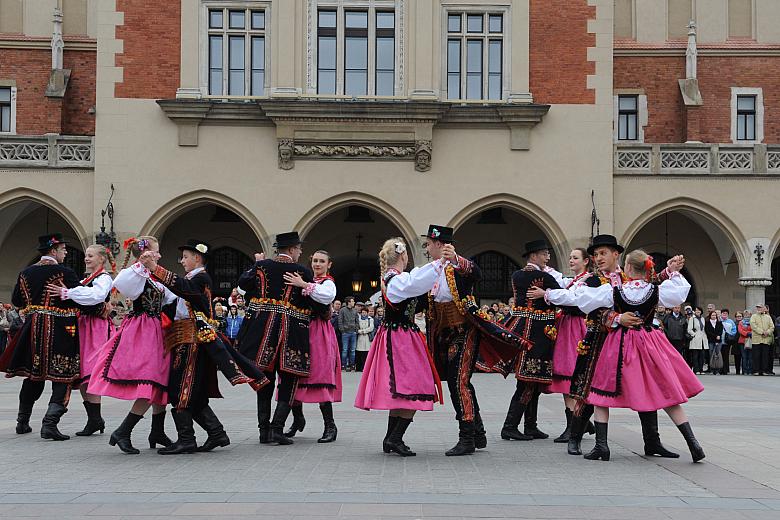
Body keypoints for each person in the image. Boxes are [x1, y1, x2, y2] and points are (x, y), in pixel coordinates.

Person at [536, 249, 705, 462]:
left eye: (603, 253)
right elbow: (674, 290)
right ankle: (575, 436)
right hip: (634, 342)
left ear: (620, 260)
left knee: (601, 392)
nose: (599, 258)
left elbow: (580, 298)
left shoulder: (616, 289)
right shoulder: (607, 282)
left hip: (618, 343)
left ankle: (613, 445)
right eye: (596, 254)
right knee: (656, 389)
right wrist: (672, 273)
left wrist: (548, 294)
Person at [142, 239, 268, 454]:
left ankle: (187, 439)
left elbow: (186, 290)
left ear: (197, 258)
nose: (182, 261)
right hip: (186, 339)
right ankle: (217, 433)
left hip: (192, 341)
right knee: (195, 393)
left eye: (185, 257)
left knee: (180, 388)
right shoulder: (194, 278)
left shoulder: (200, 278)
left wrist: (156, 268)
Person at [422, 225, 524, 456]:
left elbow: (476, 273)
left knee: (459, 382)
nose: (427, 249)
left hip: (464, 330)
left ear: (440, 244)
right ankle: (477, 432)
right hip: (443, 334)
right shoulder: (430, 271)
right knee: (458, 382)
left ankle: (466, 436)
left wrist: (456, 258)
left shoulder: (458, 266)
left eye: (428, 244)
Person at [354, 237, 452, 456]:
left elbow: (417, 278)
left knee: (404, 391)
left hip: (402, 337)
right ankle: (394, 438)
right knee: (416, 387)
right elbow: (415, 283)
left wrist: (439, 264)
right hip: (400, 338)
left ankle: (391, 439)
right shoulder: (395, 279)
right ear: (403, 256)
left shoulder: (397, 276)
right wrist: (439, 263)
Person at [87, 236, 175, 453]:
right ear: (145, 253)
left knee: (161, 382)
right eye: (156, 251)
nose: (159, 255)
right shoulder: (137, 275)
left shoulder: (155, 276)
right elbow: (122, 284)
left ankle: (157, 431)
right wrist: (140, 265)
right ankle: (123, 431)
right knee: (150, 382)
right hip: (142, 332)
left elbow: (173, 298)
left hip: (157, 331)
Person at [0, 234, 85, 440]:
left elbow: (17, 301)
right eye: (63, 249)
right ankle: (49, 424)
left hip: (33, 328)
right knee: (62, 376)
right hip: (61, 329)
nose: (65, 253)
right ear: (53, 251)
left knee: (33, 375)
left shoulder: (25, 273)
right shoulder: (64, 272)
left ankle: (23, 422)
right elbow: (79, 297)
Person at [237, 232, 313, 446]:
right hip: (292, 333)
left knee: (264, 381)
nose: (300, 252)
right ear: (291, 250)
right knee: (288, 381)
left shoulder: (262, 266)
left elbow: (243, 284)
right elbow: (314, 302)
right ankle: (277, 429)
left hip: (262, 331)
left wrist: (257, 264)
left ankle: (264, 431)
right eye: (298, 249)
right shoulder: (302, 272)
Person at [47, 244, 116, 437]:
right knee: (84, 374)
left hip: (96, 329)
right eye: (86, 255)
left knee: (91, 372)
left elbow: (96, 296)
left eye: (91, 256)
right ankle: (94, 419)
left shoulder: (103, 278)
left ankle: (95, 419)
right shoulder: (86, 279)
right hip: (84, 326)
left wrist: (68, 293)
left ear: (101, 259)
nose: (86, 259)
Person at [500, 240, 561, 444]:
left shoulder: (517, 275)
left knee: (531, 382)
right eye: (544, 254)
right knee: (528, 383)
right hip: (537, 335)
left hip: (521, 330)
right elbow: (561, 294)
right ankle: (510, 427)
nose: (547, 257)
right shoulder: (543, 277)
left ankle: (530, 425)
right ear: (534, 256)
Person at [282, 250, 341, 443]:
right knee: (294, 373)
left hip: (319, 331)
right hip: (300, 330)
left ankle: (330, 426)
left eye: (322, 261)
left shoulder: (327, 283)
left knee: (320, 374)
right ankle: (298, 418)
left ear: (329, 264)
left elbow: (326, 297)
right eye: (315, 260)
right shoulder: (306, 278)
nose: (317, 264)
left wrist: (304, 285)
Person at [545, 247, 597, 444]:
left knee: (571, 375)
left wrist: (547, 294)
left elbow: (573, 299)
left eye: (575, 258)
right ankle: (578, 423)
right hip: (568, 326)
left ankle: (574, 425)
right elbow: (558, 278)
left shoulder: (588, 280)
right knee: (566, 377)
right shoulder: (573, 280)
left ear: (585, 261)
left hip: (576, 327)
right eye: (570, 257)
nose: (571, 260)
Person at [749, 304, 773, 376]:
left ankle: (764, 370)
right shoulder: (753, 316)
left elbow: (772, 327)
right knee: (756, 356)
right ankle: (756, 370)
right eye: (758, 307)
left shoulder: (768, 317)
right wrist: (762, 332)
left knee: (765, 356)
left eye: (760, 307)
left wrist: (767, 332)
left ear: (764, 309)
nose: (759, 309)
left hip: (766, 339)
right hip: (757, 339)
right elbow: (753, 326)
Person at [339, 297, 360, 371]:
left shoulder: (355, 311)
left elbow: (357, 321)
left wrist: (356, 330)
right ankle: (343, 365)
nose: (353, 302)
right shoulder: (342, 310)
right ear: (349, 302)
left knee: (352, 350)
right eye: (352, 301)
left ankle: (352, 365)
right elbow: (340, 320)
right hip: (345, 332)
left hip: (353, 332)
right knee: (345, 349)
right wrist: (342, 330)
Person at [687, 307, 708, 375]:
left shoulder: (702, 319)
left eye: (699, 310)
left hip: (702, 339)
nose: (697, 311)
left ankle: (701, 369)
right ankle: (696, 370)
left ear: (701, 311)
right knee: (695, 356)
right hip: (695, 339)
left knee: (702, 355)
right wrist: (694, 334)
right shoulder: (692, 319)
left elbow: (703, 329)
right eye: (696, 310)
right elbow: (689, 330)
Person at [704, 310, 724, 375]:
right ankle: (711, 369)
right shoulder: (707, 323)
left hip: (718, 341)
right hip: (711, 341)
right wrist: (716, 336)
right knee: (711, 354)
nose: (714, 316)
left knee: (717, 355)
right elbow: (708, 332)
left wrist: (718, 336)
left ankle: (717, 370)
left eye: (715, 315)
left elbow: (720, 331)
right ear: (710, 316)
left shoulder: (719, 323)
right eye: (712, 315)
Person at [356, 305, 374, 371]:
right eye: (362, 312)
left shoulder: (370, 319)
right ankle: (359, 367)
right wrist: (359, 331)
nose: (364, 314)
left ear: (367, 312)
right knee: (359, 351)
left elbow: (371, 328)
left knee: (366, 352)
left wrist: (363, 331)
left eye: (365, 312)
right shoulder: (358, 319)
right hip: (360, 337)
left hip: (367, 337)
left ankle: (366, 367)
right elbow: (357, 327)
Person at [720, 309, 737, 375]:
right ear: (721, 314)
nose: (724, 314)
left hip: (727, 341)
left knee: (726, 356)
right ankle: (720, 369)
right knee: (720, 355)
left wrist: (731, 335)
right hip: (720, 341)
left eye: (726, 313)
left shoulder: (731, 321)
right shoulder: (719, 321)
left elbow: (734, 330)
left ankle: (726, 369)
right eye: (723, 313)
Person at [738, 310, 753, 375]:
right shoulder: (741, 322)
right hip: (742, 341)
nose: (747, 315)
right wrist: (747, 333)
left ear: (750, 315)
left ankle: (750, 370)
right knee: (744, 357)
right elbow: (740, 330)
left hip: (751, 340)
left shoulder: (752, 322)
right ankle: (744, 370)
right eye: (745, 314)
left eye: (748, 314)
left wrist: (750, 333)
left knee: (750, 357)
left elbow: (753, 329)